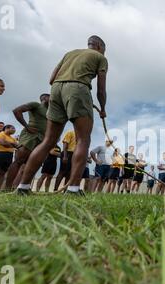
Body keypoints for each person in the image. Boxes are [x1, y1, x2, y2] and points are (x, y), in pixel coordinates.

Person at [17, 35, 108, 196]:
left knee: (48, 141)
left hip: (56, 90)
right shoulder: (100, 57)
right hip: (79, 89)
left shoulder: (70, 53)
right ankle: (73, 189)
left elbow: (51, 79)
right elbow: (101, 88)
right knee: (83, 140)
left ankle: (23, 187)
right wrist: (102, 108)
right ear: (100, 47)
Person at [4, 94, 50, 190]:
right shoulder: (36, 105)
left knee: (31, 165)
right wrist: (27, 127)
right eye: (52, 97)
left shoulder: (50, 112)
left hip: (42, 139)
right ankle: (7, 188)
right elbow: (17, 110)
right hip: (30, 136)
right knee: (19, 161)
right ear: (45, 98)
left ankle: (22, 188)